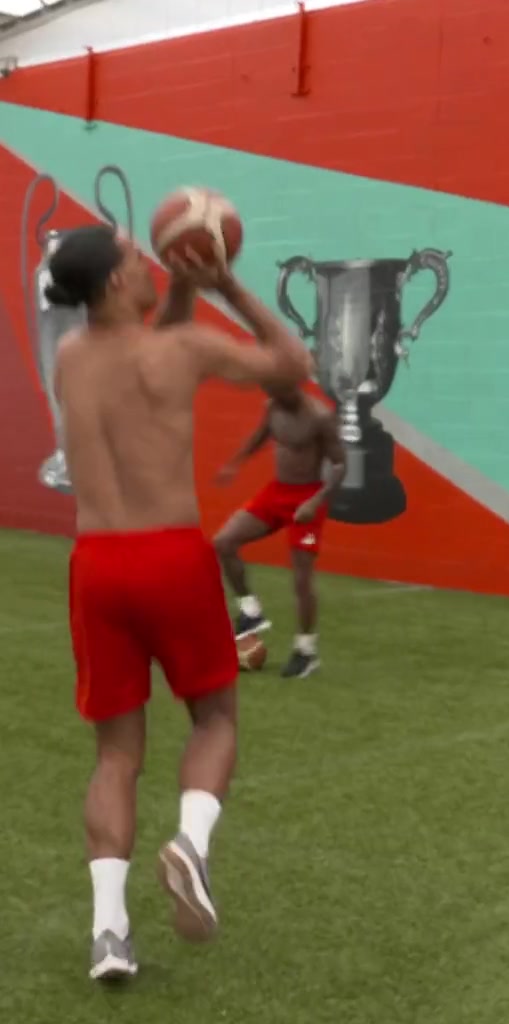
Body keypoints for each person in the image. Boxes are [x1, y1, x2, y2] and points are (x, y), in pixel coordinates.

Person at [47, 223, 311, 981]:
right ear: (112, 282)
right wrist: (224, 285)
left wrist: (184, 288)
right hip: (171, 558)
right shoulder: (183, 350)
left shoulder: (71, 356)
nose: (148, 263)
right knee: (216, 718)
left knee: (115, 754)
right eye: (136, 258)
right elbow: (291, 364)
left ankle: (108, 932)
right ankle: (191, 845)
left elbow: (143, 349)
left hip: (98, 566)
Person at [213, 387, 346, 678]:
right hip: (277, 493)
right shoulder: (273, 407)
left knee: (301, 578)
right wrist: (235, 462)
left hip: (308, 498)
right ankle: (251, 610)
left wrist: (316, 502)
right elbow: (261, 435)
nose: (271, 389)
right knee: (224, 542)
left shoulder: (320, 416)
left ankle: (306, 651)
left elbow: (340, 464)